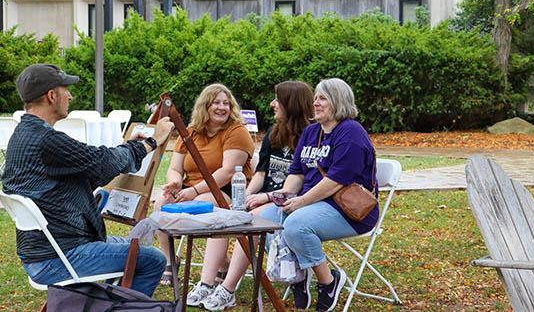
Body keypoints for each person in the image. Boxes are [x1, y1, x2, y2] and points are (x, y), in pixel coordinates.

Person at [205, 78, 378, 311]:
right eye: (315, 97)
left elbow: (336, 180)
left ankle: (328, 281)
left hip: (346, 210)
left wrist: (301, 201)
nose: (315, 103)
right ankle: (297, 276)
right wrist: (284, 195)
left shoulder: (351, 133)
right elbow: (297, 173)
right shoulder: (312, 132)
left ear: (338, 101)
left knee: (296, 225)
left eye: (323, 98)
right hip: (311, 204)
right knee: (259, 221)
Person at [1, 64, 174, 297]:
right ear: (52, 96)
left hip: (45, 252)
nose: (70, 95)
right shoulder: (46, 140)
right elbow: (103, 162)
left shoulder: (22, 136)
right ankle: (119, 306)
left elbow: (93, 168)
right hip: (59, 257)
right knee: (153, 259)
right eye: (66, 90)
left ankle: (109, 303)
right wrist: (151, 142)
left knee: (139, 248)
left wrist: (126, 149)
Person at [198, 81, 314, 310]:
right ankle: (206, 283)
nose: (272, 104)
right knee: (226, 214)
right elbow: (261, 173)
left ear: (290, 104)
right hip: (264, 198)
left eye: (276, 100)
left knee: (251, 222)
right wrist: (244, 198)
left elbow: (300, 184)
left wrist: (266, 198)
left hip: (292, 201)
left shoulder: (311, 136)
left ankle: (227, 289)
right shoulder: (274, 132)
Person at [154, 83, 255, 290]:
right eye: (216, 103)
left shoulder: (237, 131)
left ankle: (219, 266)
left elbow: (227, 172)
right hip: (189, 189)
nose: (222, 107)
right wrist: (174, 181)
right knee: (161, 203)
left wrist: (193, 191)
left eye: (226, 103)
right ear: (205, 106)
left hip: (225, 190)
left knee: (202, 204)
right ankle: (170, 260)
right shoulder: (190, 132)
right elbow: (175, 168)